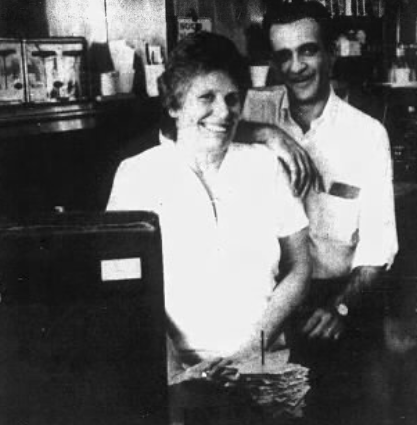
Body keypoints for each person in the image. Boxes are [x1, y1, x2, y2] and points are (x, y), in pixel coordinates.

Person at [106, 32, 311, 389]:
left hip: (263, 362)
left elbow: (300, 267)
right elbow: (122, 286)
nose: (224, 111)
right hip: (172, 369)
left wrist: (247, 353)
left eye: (233, 99)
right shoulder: (136, 175)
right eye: (207, 97)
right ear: (174, 104)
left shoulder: (264, 166)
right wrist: (176, 372)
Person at [236, 1, 398, 349]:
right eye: (283, 56)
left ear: (330, 54)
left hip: (340, 301)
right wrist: (266, 133)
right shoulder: (254, 110)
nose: (295, 67)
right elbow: (180, 126)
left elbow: (377, 248)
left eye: (307, 51)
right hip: (267, 304)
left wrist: (340, 306)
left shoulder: (367, 135)